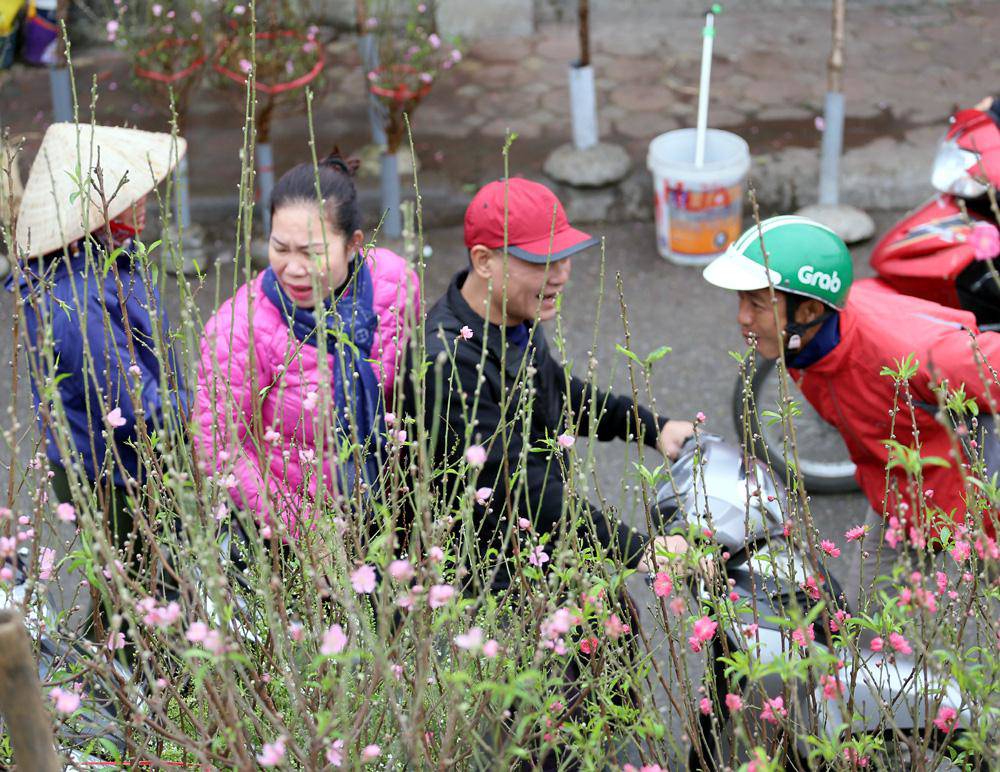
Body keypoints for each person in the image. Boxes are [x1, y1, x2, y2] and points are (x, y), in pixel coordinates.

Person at [402, 177, 695, 592]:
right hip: (486, 577)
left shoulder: (512, 318)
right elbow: (522, 486)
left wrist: (653, 427)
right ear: (484, 261)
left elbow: (556, 392)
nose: (560, 275)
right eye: (542, 262)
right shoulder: (446, 364)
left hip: (541, 542)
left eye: (565, 257)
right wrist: (639, 549)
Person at [702, 215, 1000, 607]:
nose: (742, 318)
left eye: (756, 304)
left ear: (808, 310)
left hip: (978, 502)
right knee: (878, 628)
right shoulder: (803, 341)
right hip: (900, 497)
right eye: (741, 300)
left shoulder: (913, 353)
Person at [11, 123, 189, 638]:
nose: (145, 200)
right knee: (146, 598)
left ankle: (115, 684)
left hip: (109, 460)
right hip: (111, 469)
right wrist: (208, 408)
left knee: (126, 586)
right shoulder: (78, 296)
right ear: (96, 209)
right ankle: (139, 703)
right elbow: (135, 408)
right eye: (130, 192)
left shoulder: (100, 263)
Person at [194, 150, 419, 542]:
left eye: (311, 253)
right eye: (280, 248)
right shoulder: (238, 328)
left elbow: (408, 386)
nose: (293, 269)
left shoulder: (393, 283)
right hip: (296, 533)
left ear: (353, 245)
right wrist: (305, 531)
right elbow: (219, 447)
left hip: (392, 504)